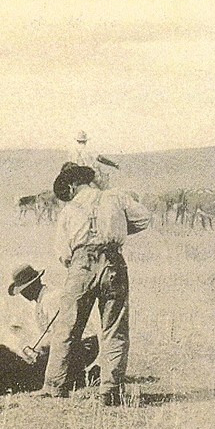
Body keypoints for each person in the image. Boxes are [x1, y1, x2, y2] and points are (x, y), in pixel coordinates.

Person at [44, 163, 151, 403]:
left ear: (71, 186)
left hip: (81, 264)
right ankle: (110, 390)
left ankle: (55, 387)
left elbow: (63, 253)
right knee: (114, 329)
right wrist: (117, 228)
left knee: (67, 326)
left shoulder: (68, 210)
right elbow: (144, 218)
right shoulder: (116, 197)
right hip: (114, 262)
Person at [7, 263, 100, 390]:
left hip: (84, 345)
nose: (24, 294)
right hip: (73, 343)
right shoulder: (43, 300)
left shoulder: (50, 299)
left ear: (35, 283)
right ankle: (80, 375)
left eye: (25, 289)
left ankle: (88, 377)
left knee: (47, 377)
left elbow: (59, 334)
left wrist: (38, 351)